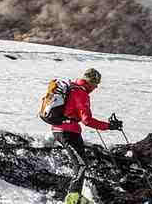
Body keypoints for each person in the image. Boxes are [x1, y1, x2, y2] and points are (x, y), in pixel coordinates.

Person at [52, 68, 123, 204]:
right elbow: (87, 120)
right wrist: (109, 126)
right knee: (81, 164)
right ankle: (72, 198)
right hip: (68, 131)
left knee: (80, 163)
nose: (96, 88)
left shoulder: (72, 88)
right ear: (90, 82)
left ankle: (76, 195)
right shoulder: (81, 93)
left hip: (61, 129)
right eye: (96, 84)